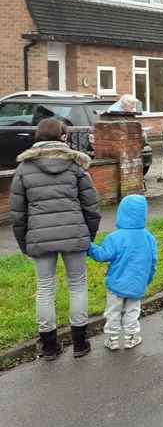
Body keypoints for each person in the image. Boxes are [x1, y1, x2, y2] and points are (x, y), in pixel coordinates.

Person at [10, 118, 101, 360]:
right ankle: (80, 343)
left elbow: (18, 214)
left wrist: (24, 243)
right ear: (62, 137)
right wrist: (87, 236)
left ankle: (49, 346)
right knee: (78, 285)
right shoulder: (75, 166)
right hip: (74, 235)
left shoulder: (24, 169)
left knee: (45, 288)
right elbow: (92, 206)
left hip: (40, 237)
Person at [88, 195, 158, 350]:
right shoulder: (148, 237)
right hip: (138, 283)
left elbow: (103, 255)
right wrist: (148, 278)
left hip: (116, 283)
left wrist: (90, 247)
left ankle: (112, 339)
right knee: (132, 311)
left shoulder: (115, 237)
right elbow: (153, 261)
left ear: (121, 213)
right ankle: (130, 337)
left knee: (113, 311)